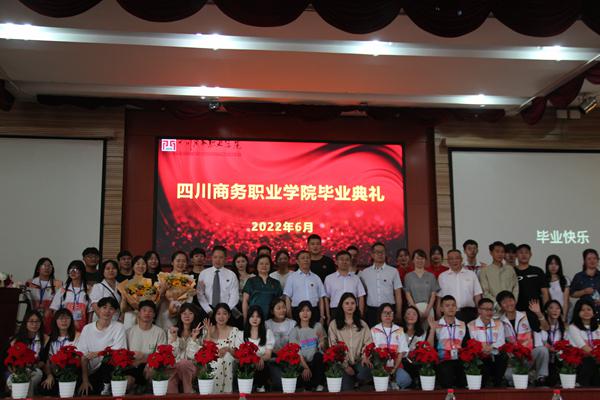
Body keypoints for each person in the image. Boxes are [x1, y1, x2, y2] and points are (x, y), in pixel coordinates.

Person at [77, 297, 129, 396]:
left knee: (108, 359)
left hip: (108, 369)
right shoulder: (87, 328)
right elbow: (83, 356)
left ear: (114, 312)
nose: (107, 311)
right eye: (104, 307)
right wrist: (85, 380)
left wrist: (98, 353)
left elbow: (119, 352)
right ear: (99, 309)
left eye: (111, 308)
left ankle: (107, 387)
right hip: (89, 370)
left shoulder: (119, 327)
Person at [496, 291, 549, 386]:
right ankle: (529, 377)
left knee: (542, 350)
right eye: (504, 302)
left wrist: (539, 313)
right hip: (513, 360)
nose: (508, 304)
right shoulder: (500, 322)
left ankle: (541, 377)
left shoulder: (526, 315)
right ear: (500, 306)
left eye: (510, 300)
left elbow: (545, 328)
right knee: (508, 376)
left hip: (529, 356)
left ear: (515, 301)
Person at [327, 293, 373, 391]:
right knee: (346, 389)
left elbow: (368, 343)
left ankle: (359, 380)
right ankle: (353, 381)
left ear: (356, 306)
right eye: (347, 303)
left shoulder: (362, 324)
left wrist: (365, 357)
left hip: (359, 361)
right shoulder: (334, 324)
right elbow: (333, 347)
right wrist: (345, 366)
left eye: (352, 303)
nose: (350, 306)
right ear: (342, 305)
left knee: (365, 372)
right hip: (343, 363)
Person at [359, 242, 403, 327]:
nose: (380, 254)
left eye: (382, 252)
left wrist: (399, 312)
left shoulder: (393, 271)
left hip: (389, 310)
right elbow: (363, 294)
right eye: (377, 252)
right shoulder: (365, 273)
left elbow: (398, 294)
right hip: (372, 311)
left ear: (385, 254)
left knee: (389, 333)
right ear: (372, 254)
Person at [428, 295, 467, 388]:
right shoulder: (435, 324)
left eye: (453, 305)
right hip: (442, 360)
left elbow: (466, 345)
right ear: (441, 308)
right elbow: (429, 346)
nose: (451, 308)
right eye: (447, 305)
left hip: (459, 359)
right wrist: (432, 329)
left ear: (456, 308)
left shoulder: (462, 324)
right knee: (446, 372)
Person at [466, 298, 507, 387]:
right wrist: (483, 348)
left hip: (494, 354)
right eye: (486, 309)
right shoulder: (471, 325)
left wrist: (491, 347)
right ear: (479, 310)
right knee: (483, 361)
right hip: (480, 356)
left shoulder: (498, 324)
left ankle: (497, 384)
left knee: (503, 357)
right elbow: (472, 342)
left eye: (491, 309)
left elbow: (501, 341)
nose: (489, 312)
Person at [127, 300, 167, 391]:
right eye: (144, 310)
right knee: (127, 382)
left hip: (150, 365)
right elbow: (124, 355)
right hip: (132, 366)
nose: (147, 313)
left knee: (151, 371)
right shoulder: (129, 332)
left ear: (154, 315)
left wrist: (144, 360)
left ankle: (149, 393)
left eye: (150, 311)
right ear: (139, 313)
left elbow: (160, 355)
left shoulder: (160, 332)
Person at [371, 303, 412, 389]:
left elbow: (401, 351)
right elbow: (374, 352)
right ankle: (389, 385)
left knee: (406, 380)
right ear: (380, 315)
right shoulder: (374, 330)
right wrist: (382, 369)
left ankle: (392, 384)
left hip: (396, 365)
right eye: (385, 312)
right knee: (383, 383)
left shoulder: (399, 330)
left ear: (393, 315)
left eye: (390, 312)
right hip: (380, 366)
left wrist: (394, 369)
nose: (388, 315)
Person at [202, 303, 241, 393]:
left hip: (230, 362)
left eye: (224, 313)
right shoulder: (208, 329)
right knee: (214, 362)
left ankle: (227, 393)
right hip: (212, 361)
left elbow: (237, 353)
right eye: (218, 313)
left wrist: (227, 349)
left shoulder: (235, 330)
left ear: (229, 315)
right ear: (215, 315)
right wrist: (209, 332)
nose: (221, 316)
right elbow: (205, 350)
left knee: (226, 357)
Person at [39, 309, 80, 396]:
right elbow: (47, 360)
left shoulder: (78, 336)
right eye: (61, 318)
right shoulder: (49, 338)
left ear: (71, 321)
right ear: (55, 321)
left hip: (71, 372)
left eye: (67, 318)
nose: (64, 321)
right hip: (54, 372)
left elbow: (78, 357)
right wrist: (49, 375)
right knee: (46, 388)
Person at [6, 310, 46, 397]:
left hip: (34, 370)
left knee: (37, 374)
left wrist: (35, 365)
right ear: (25, 323)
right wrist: (16, 370)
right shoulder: (15, 340)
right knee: (17, 379)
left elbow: (44, 360)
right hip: (17, 370)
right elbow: (8, 360)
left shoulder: (44, 339)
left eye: (37, 321)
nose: (34, 324)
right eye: (31, 321)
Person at [167, 303, 203, 394]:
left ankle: (188, 393)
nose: (187, 316)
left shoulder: (200, 332)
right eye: (184, 313)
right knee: (170, 371)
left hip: (193, 368)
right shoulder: (173, 331)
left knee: (183, 363)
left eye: (190, 313)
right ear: (180, 315)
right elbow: (172, 354)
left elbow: (192, 356)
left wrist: (193, 338)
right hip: (176, 367)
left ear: (194, 315)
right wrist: (174, 338)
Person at [290, 301, 326, 391]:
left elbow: (324, 348)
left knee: (319, 356)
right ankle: (309, 386)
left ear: (311, 312)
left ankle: (318, 385)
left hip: (315, 363)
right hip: (302, 364)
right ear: (298, 313)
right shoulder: (295, 331)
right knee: (302, 378)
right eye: (302, 310)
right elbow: (296, 353)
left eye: (308, 310)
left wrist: (322, 341)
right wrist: (305, 367)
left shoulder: (318, 326)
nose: (305, 313)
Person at [437, 249, 482, 323]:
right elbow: (439, 297)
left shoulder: (471, 274)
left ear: (461, 259)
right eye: (451, 259)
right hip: (449, 313)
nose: (454, 261)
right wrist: (438, 312)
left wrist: (480, 311)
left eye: (457, 258)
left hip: (469, 312)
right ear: (448, 261)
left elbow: (477, 295)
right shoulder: (442, 276)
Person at [156, 251, 197, 330]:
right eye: (178, 261)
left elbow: (189, 301)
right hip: (164, 315)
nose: (181, 263)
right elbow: (156, 301)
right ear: (172, 262)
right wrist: (162, 291)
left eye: (184, 261)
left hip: (182, 316)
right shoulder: (164, 278)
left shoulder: (189, 280)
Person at [324, 250, 366, 325]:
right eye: (341, 259)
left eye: (347, 260)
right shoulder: (329, 278)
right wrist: (328, 315)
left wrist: (360, 314)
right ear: (336, 262)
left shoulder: (356, 278)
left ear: (350, 262)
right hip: (335, 310)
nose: (344, 262)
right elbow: (326, 298)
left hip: (353, 310)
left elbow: (361, 296)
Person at [284, 250, 326, 322]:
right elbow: (287, 298)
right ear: (297, 261)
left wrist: (322, 317)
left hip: (314, 311)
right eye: (303, 258)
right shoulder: (292, 277)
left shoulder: (316, 277)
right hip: (297, 311)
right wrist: (289, 317)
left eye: (308, 258)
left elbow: (321, 298)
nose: (306, 260)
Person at [197, 246, 240, 317]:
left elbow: (234, 295)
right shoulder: (203, 274)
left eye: (221, 257)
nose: (217, 260)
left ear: (225, 259)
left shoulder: (231, 275)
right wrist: (208, 310)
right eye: (215, 257)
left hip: (226, 309)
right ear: (211, 258)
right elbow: (200, 294)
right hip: (208, 309)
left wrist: (225, 311)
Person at [50, 260, 91, 332]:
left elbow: (90, 312)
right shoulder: (62, 290)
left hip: (82, 330)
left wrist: (89, 329)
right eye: (70, 269)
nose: (72, 272)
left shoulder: (89, 290)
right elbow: (55, 310)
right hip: (64, 329)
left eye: (76, 269)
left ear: (82, 271)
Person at [242, 305, 274, 392]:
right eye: (252, 316)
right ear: (248, 318)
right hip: (247, 364)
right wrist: (254, 359)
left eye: (258, 316)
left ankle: (261, 387)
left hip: (262, 365)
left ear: (261, 318)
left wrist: (259, 358)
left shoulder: (268, 333)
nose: (255, 319)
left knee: (261, 364)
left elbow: (268, 355)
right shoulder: (242, 334)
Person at [568, 299, 600, 386]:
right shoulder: (573, 327)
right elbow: (583, 347)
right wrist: (597, 357)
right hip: (579, 361)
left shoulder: (598, 327)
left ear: (593, 312)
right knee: (589, 361)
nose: (586, 312)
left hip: (595, 359)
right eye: (582, 310)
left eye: (589, 309)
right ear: (577, 312)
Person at [26, 257, 62, 334]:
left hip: (50, 317)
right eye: (44, 265)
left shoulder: (58, 284)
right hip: (33, 316)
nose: (47, 268)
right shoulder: (30, 283)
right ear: (38, 269)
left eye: (49, 266)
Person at [404, 249, 438, 326]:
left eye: (422, 258)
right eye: (417, 258)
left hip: (428, 308)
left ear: (425, 260)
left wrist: (428, 310)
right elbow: (408, 295)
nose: (420, 260)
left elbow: (433, 295)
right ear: (413, 260)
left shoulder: (431, 276)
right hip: (413, 309)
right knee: (415, 330)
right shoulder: (408, 276)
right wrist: (416, 310)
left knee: (429, 330)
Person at [243, 254, 282, 321]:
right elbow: (245, 301)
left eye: (267, 264)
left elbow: (280, 303)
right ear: (256, 265)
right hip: (254, 318)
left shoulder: (276, 283)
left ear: (270, 266)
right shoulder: (251, 281)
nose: (264, 266)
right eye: (261, 264)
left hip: (271, 319)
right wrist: (245, 319)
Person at [479, 241, 519, 308]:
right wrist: (498, 305)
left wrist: (512, 303)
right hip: (495, 308)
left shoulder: (510, 269)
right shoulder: (485, 271)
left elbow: (515, 287)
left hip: (511, 307)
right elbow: (485, 292)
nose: (500, 254)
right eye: (497, 251)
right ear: (491, 253)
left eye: (502, 252)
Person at [539, 300, 568, 387]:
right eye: (551, 308)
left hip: (558, 356)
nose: (555, 310)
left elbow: (566, 343)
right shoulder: (540, 324)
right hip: (545, 356)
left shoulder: (564, 326)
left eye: (558, 308)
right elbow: (538, 344)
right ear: (546, 310)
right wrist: (551, 348)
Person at [119, 255, 153, 329]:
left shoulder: (150, 283)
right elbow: (122, 309)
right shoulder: (126, 283)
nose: (141, 266)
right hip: (130, 317)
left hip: (145, 316)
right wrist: (124, 298)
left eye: (143, 264)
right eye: (138, 264)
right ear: (133, 266)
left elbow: (152, 303)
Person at [514, 244, 549, 312]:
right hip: (517, 310)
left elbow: (545, 293)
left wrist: (546, 310)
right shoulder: (512, 271)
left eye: (526, 252)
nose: (524, 255)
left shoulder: (538, 271)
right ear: (516, 255)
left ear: (530, 254)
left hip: (536, 310)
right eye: (521, 252)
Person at [400, 305, 427, 387]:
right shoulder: (398, 330)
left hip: (415, 361)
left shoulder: (422, 332)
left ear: (418, 317)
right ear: (404, 316)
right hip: (401, 361)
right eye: (408, 314)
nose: (411, 316)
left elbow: (424, 348)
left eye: (414, 314)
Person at [570, 248, 600, 317]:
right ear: (584, 261)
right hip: (585, 313)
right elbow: (572, 293)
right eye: (589, 259)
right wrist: (584, 291)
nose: (592, 261)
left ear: (598, 260)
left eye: (595, 258)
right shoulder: (578, 276)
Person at [545, 255, 570, 320]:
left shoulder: (565, 280)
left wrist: (563, 317)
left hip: (562, 312)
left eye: (556, 264)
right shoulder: (544, 280)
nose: (553, 266)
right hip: (550, 313)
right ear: (547, 265)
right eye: (551, 264)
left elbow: (566, 302)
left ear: (559, 266)